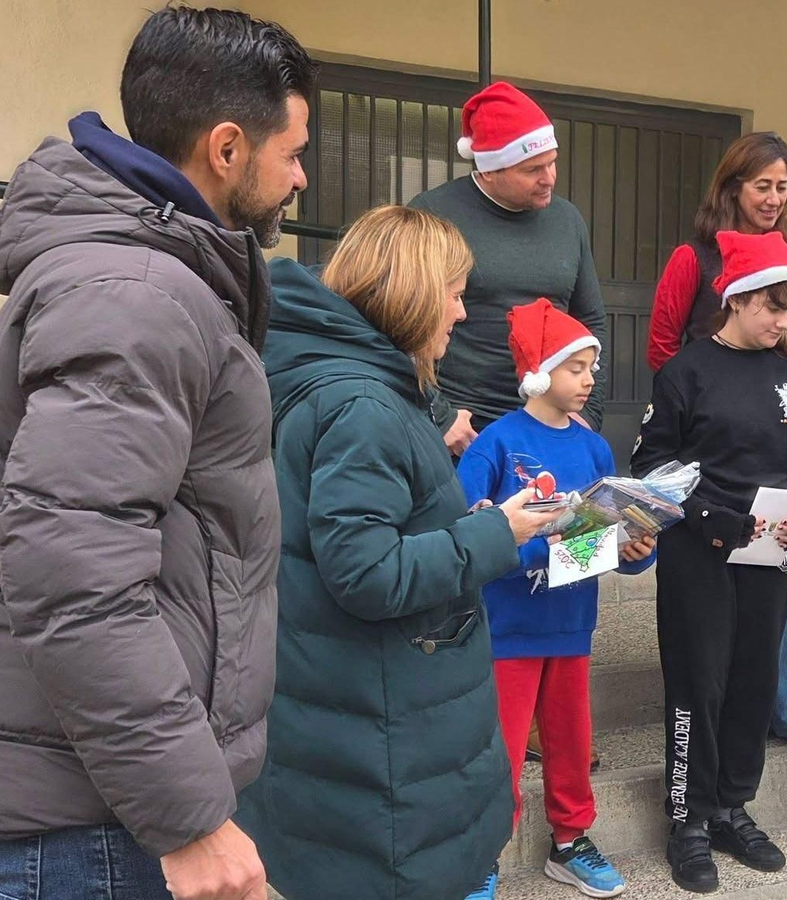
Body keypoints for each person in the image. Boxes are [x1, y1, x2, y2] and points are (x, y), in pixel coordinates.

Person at [0, 9, 315, 900]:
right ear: (225, 148)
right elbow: (74, 572)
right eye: (290, 152)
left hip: (92, 799)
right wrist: (189, 817)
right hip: (92, 827)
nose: (300, 176)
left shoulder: (147, 276)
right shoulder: (140, 295)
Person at [233, 206, 565, 900]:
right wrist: (495, 532)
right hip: (385, 766)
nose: (462, 311)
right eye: (453, 290)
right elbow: (366, 573)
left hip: (369, 741)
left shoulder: (351, 386)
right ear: (412, 292)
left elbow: (363, 533)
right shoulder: (365, 406)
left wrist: (468, 519)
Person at [633, 230, 787, 894]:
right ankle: (688, 817)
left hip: (769, 557)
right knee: (700, 682)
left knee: (753, 681)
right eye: (771, 307)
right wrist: (715, 517)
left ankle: (732, 807)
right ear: (736, 298)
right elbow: (653, 465)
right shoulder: (686, 371)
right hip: (700, 556)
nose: (782, 322)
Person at [457, 299, 659, 899]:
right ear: (540, 374)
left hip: (571, 624)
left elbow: (612, 529)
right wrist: (553, 551)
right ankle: (482, 853)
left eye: (593, 366)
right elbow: (470, 542)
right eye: (577, 367)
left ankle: (571, 841)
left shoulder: (595, 449)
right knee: (503, 747)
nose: (590, 379)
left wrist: (636, 548)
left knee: (572, 742)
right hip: (508, 627)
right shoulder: (494, 445)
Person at [646, 131, 787, 754]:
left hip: (768, 490)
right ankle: (691, 799)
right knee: (703, 656)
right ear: (731, 187)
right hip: (706, 479)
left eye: (784, 187)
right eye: (762, 185)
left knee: (768, 626)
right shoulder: (692, 261)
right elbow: (663, 346)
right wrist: (704, 405)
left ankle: (779, 719)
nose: (775, 197)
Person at [411, 80, 607, 457]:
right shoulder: (434, 215)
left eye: (552, 162)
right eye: (532, 169)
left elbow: (591, 321)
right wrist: (438, 413)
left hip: (549, 423)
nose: (549, 178)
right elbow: (398, 324)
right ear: (488, 171)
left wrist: (590, 412)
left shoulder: (567, 220)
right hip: (464, 427)